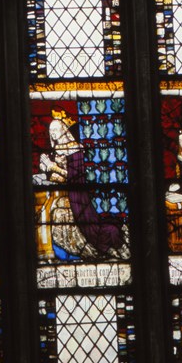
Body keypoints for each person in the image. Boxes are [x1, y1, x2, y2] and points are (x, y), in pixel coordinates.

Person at [37, 109, 129, 260]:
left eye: (56, 130)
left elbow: (74, 178)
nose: (53, 134)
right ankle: (51, 253)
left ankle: (70, 252)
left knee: (57, 214)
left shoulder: (74, 149)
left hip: (76, 197)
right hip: (61, 192)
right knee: (46, 210)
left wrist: (52, 167)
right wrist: (45, 165)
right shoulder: (58, 149)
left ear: (63, 130)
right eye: (50, 130)